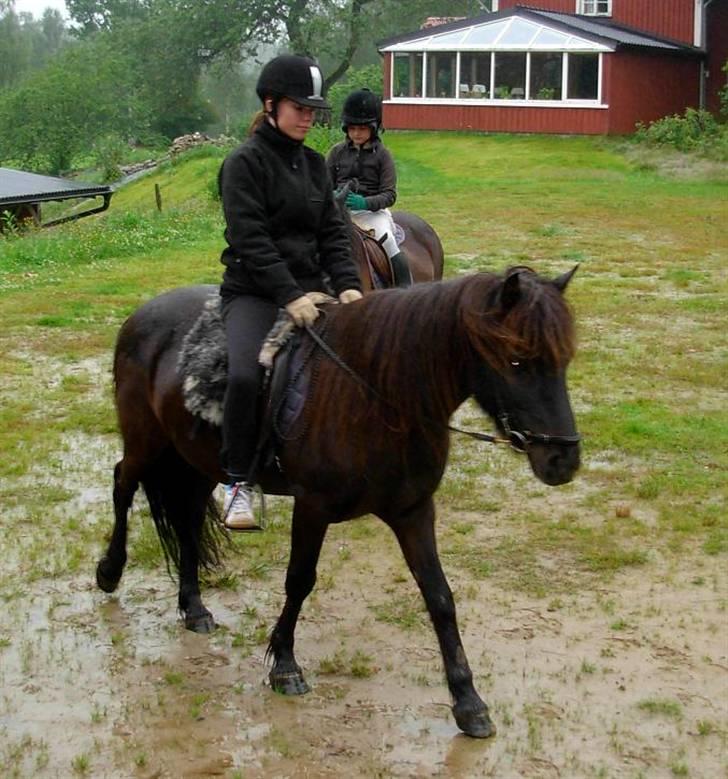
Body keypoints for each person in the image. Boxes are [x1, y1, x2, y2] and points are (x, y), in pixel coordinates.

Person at [218, 54, 363, 530]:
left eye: (312, 109)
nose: (307, 116)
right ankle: (236, 481)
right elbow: (250, 240)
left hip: (314, 291)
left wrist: (348, 287)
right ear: (270, 104)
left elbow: (332, 234)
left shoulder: (315, 164)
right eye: (298, 107)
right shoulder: (242, 164)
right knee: (243, 375)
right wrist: (288, 294)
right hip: (255, 293)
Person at [326, 88, 412, 287]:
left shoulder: (383, 156)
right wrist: (332, 195)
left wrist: (364, 202)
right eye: (352, 128)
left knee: (388, 241)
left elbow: (389, 194)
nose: (356, 133)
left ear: (373, 128)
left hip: (372, 213)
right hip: (339, 212)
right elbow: (323, 186)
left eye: (362, 129)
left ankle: (405, 288)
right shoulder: (336, 153)